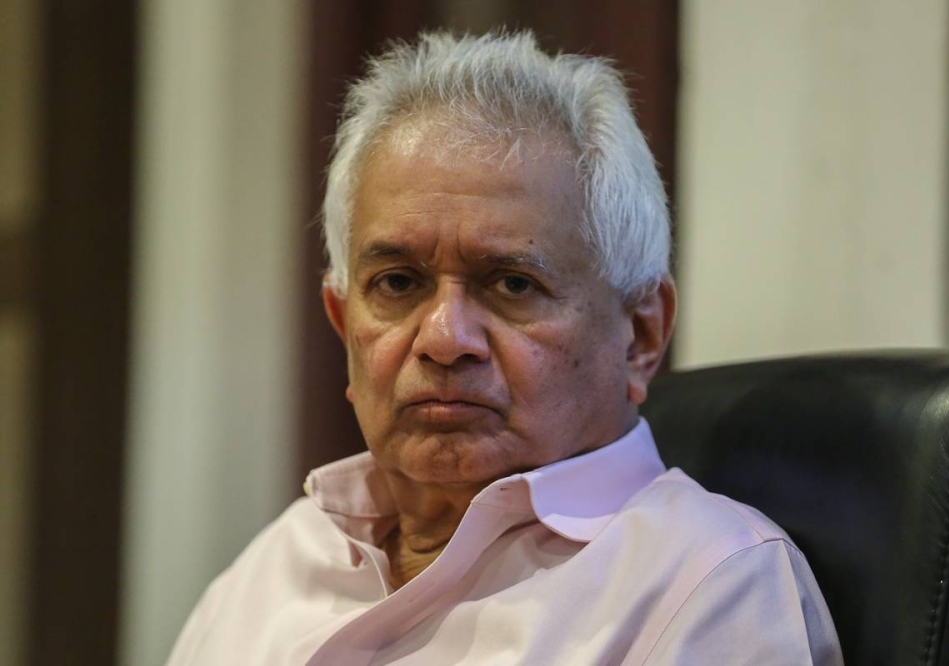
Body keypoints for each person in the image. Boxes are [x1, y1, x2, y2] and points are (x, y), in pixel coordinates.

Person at [166, 31, 842, 665]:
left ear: (640, 334)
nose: (443, 339)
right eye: (398, 282)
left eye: (512, 283)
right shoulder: (277, 561)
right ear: (344, 323)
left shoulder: (709, 585)